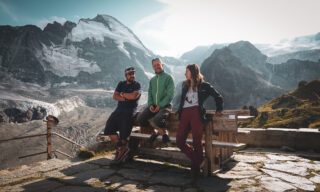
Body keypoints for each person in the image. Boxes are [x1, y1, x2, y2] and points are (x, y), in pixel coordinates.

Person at [176, 64, 223, 179]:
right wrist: (179, 111)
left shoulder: (204, 85)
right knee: (179, 140)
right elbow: (182, 101)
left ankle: (196, 168)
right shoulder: (184, 85)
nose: (185, 73)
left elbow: (218, 96)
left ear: (192, 72)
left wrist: (219, 109)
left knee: (197, 142)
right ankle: (200, 161)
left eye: (186, 71)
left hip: (196, 113)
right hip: (185, 114)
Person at [104, 67, 141, 163]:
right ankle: (122, 148)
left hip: (129, 112)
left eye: (133, 73)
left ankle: (121, 152)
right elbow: (115, 96)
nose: (132, 75)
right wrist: (126, 98)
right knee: (109, 129)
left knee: (124, 135)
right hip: (118, 110)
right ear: (126, 75)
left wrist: (122, 94)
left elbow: (134, 96)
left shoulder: (137, 84)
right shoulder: (121, 83)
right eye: (130, 74)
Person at [137, 58, 175, 144]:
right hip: (153, 106)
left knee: (157, 119)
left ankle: (161, 133)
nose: (156, 66)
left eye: (158, 64)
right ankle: (157, 133)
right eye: (154, 65)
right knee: (140, 119)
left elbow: (170, 94)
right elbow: (150, 93)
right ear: (153, 67)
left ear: (162, 65)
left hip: (165, 106)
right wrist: (150, 105)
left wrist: (160, 105)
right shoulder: (152, 80)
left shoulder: (168, 78)